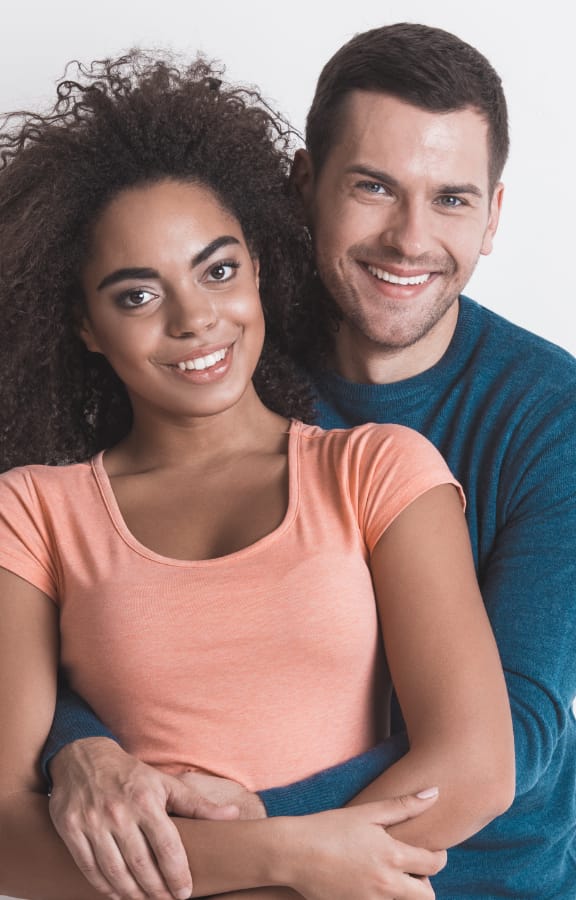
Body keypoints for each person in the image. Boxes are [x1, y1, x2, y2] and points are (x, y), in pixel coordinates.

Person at [42, 22, 576, 900]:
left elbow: (512, 739)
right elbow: (71, 610)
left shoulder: (551, 413)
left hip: (478, 876)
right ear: (302, 185)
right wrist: (78, 747)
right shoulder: (211, 351)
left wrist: (263, 833)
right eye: (374, 187)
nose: (409, 239)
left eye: (451, 199)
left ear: (493, 218)